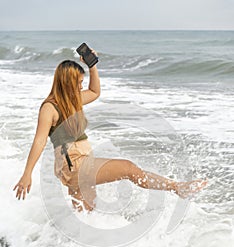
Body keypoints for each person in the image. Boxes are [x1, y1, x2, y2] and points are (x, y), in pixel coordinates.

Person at [13, 49, 207, 212]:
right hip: (74, 166)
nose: (81, 87)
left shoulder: (74, 100)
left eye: (81, 83)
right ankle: (177, 187)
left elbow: (95, 92)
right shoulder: (50, 108)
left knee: (86, 213)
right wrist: (27, 173)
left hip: (80, 162)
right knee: (129, 169)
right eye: (78, 83)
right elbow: (39, 141)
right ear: (66, 83)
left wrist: (92, 65)